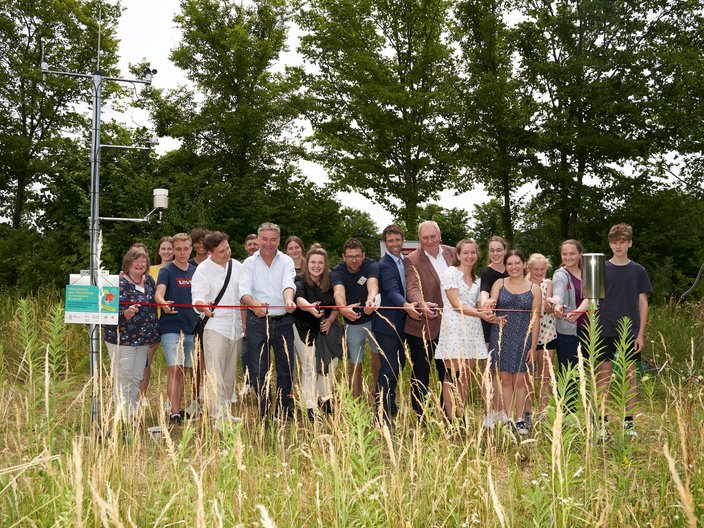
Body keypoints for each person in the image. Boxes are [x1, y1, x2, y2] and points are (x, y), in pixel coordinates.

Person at [597, 223, 652, 437]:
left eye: (622, 242)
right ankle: (601, 423)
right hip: (604, 330)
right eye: (614, 242)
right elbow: (591, 301)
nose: (617, 246)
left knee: (630, 377)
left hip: (630, 331)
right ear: (610, 244)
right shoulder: (600, 268)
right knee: (604, 377)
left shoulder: (638, 271)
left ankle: (629, 423)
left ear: (629, 243)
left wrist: (640, 334)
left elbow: (643, 304)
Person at [240, 222, 298, 421]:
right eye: (264, 239)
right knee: (258, 369)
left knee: (286, 367)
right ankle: (264, 411)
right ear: (258, 239)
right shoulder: (248, 263)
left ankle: (282, 411)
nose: (268, 243)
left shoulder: (287, 261)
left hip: (283, 321)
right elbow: (244, 292)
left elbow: (288, 284)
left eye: (273, 239)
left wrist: (289, 299)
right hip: (257, 322)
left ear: (279, 240)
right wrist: (253, 304)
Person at [435, 239, 495, 422]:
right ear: (458, 255)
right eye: (466, 253)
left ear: (477, 255)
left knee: (467, 376)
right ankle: (450, 419)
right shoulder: (451, 273)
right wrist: (481, 314)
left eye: (473, 252)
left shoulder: (477, 280)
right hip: (454, 330)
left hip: (473, 330)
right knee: (454, 374)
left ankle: (460, 416)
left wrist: (490, 311)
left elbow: (478, 305)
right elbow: (456, 305)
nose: (470, 256)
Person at [191, 231, 243, 428]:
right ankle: (216, 416)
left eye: (228, 248)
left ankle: (226, 411)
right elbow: (197, 297)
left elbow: (244, 292)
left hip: (235, 327)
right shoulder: (202, 270)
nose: (227, 253)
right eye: (221, 251)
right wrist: (203, 306)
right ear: (210, 252)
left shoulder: (237, 266)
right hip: (215, 327)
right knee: (215, 373)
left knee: (229, 373)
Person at [103, 246, 159, 425]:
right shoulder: (115, 283)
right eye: (136, 260)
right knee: (123, 378)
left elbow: (153, 308)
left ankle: (131, 412)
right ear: (128, 263)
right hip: (122, 339)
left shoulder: (149, 281)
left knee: (137, 377)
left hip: (144, 339)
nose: (140, 264)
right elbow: (105, 312)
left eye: (143, 260)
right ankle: (123, 416)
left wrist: (154, 334)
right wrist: (124, 314)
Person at [403, 221, 454, 417]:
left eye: (433, 236)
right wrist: (421, 303)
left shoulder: (452, 253)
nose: (430, 241)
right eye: (425, 238)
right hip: (421, 327)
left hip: (451, 326)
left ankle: (448, 413)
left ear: (439, 236)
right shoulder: (412, 259)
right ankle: (421, 416)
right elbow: (412, 287)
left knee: (449, 374)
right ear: (419, 239)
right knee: (420, 375)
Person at [489, 250, 541, 436]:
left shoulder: (534, 288)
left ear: (524, 264)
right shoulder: (499, 284)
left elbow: (536, 319)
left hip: (523, 338)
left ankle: (520, 420)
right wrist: (489, 305)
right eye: (509, 263)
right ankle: (509, 419)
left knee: (520, 382)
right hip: (502, 336)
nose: (513, 267)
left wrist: (533, 347)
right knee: (504, 380)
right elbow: (490, 305)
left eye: (517, 262)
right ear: (505, 266)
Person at [372, 225, 415, 422]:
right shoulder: (384, 265)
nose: (395, 244)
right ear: (385, 243)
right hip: (387, 325)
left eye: (398, 240)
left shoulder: (404, 262)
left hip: (402, 324)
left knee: (399, 365)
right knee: (388, 367)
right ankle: (380, 411)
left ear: (402, 241)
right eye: (390, 241)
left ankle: (390, 402)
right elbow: (391, 290)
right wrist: (406, 305)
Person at [293, 244, 341, 418]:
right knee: (309, 367)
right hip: (303, 328)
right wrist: (310, 308)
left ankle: (323, 398)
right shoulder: (299, 279)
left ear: (325, 264)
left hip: (325, 330)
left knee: (330, 364)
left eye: (320, 263)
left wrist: (330, 320)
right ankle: (310, 406)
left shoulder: (331, 281)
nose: (316, 266)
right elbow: (298, 299)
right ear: (308, 263)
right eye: (313, 262)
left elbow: (337, 304)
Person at [155, 233, 198, 424]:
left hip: (192, 327)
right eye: (178, 249)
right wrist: (163, 303)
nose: (182, 252)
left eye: (185, 248)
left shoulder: (196, 270)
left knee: (185, 371)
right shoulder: (167, 271)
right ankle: (174, 411)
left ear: (191, 249)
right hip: (171, 326)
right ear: (173, 250)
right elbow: (158, 294)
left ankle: (180, 407)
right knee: (175, 368)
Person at [331, 238, 380, 399]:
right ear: (343, 257)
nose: (354, 260)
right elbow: (338, 292)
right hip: (352, 323)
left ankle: (378, 393)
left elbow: (372, 285)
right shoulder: (337, 271)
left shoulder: (371, 265)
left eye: (358, 256)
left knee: (377, 356)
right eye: (350, 256)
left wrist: (371, 299)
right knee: (355, 362)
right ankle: (355, 399)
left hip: (373, 319)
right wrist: (343, 309)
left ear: (363, 255)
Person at [138, 236, 174, 403]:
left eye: (170, 248)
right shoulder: (148, 270)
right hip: (151, 322)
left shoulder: (181, 269)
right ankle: (141, 396)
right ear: (159, 251)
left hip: (172, 322)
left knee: (174, 365)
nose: (167, 252)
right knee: (145, 361)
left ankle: (171, 400)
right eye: (164, 248)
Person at [479, 236, 509, 426]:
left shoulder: (513, 268)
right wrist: (485, 304)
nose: (496, 253)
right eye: (492, 250)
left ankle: (503, 411)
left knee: (504, 373)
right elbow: (484, 293)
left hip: (512, 327)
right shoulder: (487, 273)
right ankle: (488, 413)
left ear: (505, 250)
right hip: (491, 326)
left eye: (499, 249)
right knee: (488, 371)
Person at [549, 240, 590, 370]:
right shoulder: (560, 274)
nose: (568, 257)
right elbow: (558, 295)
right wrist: (556, 305)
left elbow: (593, 297)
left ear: (580, 254)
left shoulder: (588, 273)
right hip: (569, 333)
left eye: (572, 253)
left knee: (586, 374)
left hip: (589, 330)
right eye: (564, 254)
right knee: (569, 375)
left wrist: (578, 311)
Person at [526, 253, 558, 415]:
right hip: (528, 335)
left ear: (547, 269)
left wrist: (551, 303)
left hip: (547, 333)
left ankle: (543, 412)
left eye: (542, 269)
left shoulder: (548, 283)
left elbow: (547, 307)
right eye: (535, 269)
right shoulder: (523, 284)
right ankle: (528, 412)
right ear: (529, 268)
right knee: (528, 376)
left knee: (545, 376)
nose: (539, 272)